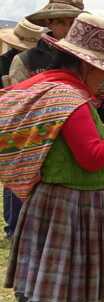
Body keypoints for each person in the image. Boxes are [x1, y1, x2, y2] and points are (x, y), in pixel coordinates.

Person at [1, 13, 104, 302]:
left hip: (65, 203)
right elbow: (92, 155)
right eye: (103, 68)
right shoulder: (69, 98)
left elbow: (91, 127)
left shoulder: (64, 91)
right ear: (85, 64)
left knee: (61, 290)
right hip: (68, 204)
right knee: (50, 299)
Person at [0, 19, 44, 241]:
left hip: (23, 123)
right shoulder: (9, 62)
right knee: (14, 176)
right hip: (12, 123)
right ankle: (13, 226)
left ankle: (17, 225)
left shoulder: (30, 61)